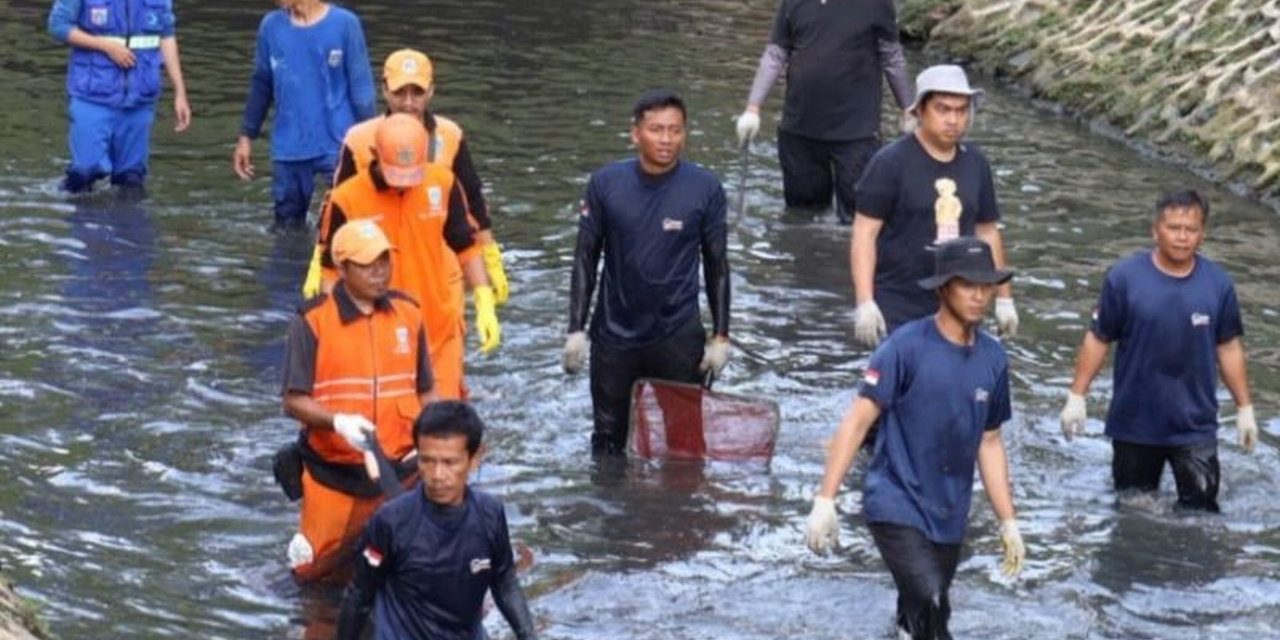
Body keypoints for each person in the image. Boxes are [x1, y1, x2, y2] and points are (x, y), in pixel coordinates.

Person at [806, 236, 1026, 640]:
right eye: (968, 285)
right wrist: (825, 500)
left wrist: (1008, 521)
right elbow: (856, 423)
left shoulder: (993, 359)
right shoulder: (904, 348)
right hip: (895, 501)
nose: (980, 296)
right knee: (932, 604)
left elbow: (990, 442)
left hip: (949, 513)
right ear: (943, 288)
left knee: (916, 616)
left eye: (987, 285)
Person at [1059, 189, 1258, 512]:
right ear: (1155, 230)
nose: (1182, 237)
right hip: (1135, 424)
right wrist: (1077, 396)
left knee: (1201, 517)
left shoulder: (1218, 284)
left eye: (1191, 229)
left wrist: (1245, 408)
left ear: (1202, 234)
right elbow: (1098, 337)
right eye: (1174, 227)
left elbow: (1229, 345)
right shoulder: (1124, 279)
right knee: (1132, 513)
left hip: (1195, 424)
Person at [563, 89, 731, 457]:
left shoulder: (705, 188)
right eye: (657, 130)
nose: (667, 140)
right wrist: (576, 329)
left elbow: (717, 264)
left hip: (676, 333)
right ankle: (612, 510)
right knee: (608, 439)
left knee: (685, 441)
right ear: (635, 133)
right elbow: (585, 257)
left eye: (675, 130)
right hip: (614, 334)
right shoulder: (606, 183)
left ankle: (682, 510)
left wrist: (721, 336)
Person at [280, 219, 434, 582]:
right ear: (343, 268)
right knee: (315, 576)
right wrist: (337, 422)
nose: (380, 272)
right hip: (334, 476)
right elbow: (292, 400)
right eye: (368, 264)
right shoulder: (312, 321)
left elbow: (426, 388)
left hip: (399, 473)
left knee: (406, 569)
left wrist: (437, 437)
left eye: (384, 260)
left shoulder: (409, 314)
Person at [318, 113, 501, 400]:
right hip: (375, 331)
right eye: (396, 175)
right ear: (375, 155)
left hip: (437, 327)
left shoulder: (443, 182)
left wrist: (483, 297)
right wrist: (329, 328)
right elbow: (330, 271)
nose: (403, 184)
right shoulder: (346, 198)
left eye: (411, 175)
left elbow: (466, 246)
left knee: (444, 421)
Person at [309, 48, 510, 304]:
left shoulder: (450, 136)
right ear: (384, 91)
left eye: (417, 92)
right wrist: (321, 259)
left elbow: (474, 204)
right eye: (399, 92)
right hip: (378, 261)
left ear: (431, 91)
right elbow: (336, 208)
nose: (408, 102)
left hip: (437, 261)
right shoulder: (359, 140)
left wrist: (490, 258)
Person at [336, 401, 538, 640]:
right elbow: (360, 594)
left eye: (450, 463)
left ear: (475, 459)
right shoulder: (390, 522)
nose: (437, 475)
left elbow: (504, 582)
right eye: (427, 461)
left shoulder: (490, 515)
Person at [850, 64, 1019, 347]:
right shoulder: (890, 163)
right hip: (899, 303)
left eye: (961, 110)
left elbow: (987, 232)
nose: (953, 120)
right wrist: (865, 302)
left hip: (958, 303)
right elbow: (864, 233)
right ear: (920, 111)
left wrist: (1004, 298)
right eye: (943, 109)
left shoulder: (976, 164)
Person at [734, 0, 912, 222]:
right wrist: (753, 107)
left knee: (859, 218)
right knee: (801, 217)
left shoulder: (877, 4)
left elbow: (892, 58)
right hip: (799, 131)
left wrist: (908, 107)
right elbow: (776, 54)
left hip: (857, 134)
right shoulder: (792, 3)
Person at [232, 0, 376, 227]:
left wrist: (372, 142)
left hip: (339, 144)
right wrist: (246, 135)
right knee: (286, 228)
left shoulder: (345, 24)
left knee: (346, 222)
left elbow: (362, 90)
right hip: (289, 148)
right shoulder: (270, 27)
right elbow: (261, 84)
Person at [47, 0, 191, 193]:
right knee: (85, 172)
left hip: (140, 98)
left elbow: (166, 36)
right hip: (92, 94)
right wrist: (104, 46)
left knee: (131, 179)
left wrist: (180, 92)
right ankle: (74, 211)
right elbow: (58, 25)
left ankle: (126, 221)